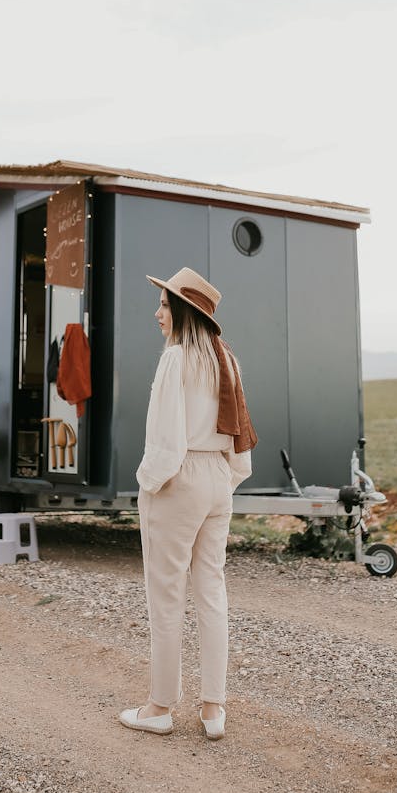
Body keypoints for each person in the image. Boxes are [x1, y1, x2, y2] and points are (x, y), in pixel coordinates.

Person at [119, 267, 257, 741]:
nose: (156, 313)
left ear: (182, 311)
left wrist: (149, 481)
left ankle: (159, 707)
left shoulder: (176, 359)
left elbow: (165, 434)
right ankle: (213, 709)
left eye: (163, 304)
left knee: (166, 596)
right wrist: (229, 477)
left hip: (180, 477)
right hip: (218, 475)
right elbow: (240, 434)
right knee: (211, 592)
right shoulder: (228, 361)